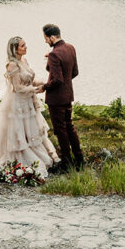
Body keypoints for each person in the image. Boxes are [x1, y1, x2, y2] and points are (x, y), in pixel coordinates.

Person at [0, 36, 58, 176]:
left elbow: (31, 80)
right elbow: (17, 87)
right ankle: (21, 159)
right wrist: (35, 90)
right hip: (18, 103)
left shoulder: (24, 60)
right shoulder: (12, 65)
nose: (26, 47)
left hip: (28, 101)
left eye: (25, 44)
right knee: (19, 131)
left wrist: (46, 83)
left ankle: (43, 155)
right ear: (15, 49)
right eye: (22, 46)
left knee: (31, 130)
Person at [39, 23, 84, 172]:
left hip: (56, 98)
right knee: (70, 128)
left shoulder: (54, 54)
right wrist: (50, 61)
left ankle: (66, 163)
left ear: (52, 37)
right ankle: (79, 160)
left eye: (46, 38)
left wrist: (44, 87)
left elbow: (56, 80)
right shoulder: (70, 48)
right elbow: (74, 72)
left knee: (60, 130)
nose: (45, 41)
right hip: (68, 95)